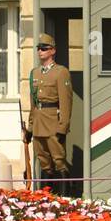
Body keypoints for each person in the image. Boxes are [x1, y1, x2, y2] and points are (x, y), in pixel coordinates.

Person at [27, 34, 74, 195]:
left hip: (53, 122)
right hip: (39, 122)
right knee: (43, 161)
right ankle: (46, 197)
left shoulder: (61, 72)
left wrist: (63, 127)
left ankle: (65, 198)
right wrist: (30, 128)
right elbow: (33, 103)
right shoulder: (35, 73)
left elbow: (66, 102)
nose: (40, 51)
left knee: (59, 160)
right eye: (38, 48)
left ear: (52, 51)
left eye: (44, 48)